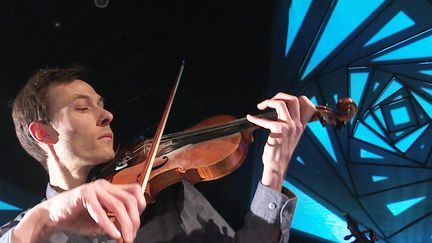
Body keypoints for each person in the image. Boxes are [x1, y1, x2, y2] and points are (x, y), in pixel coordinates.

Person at [0, 66, 316, 243]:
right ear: (42, 133)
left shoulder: (165, 191)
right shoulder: (34, 232)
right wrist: (49, 216)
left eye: (101, 104)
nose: (107, 114)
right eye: (82, 107)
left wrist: (273, 174)